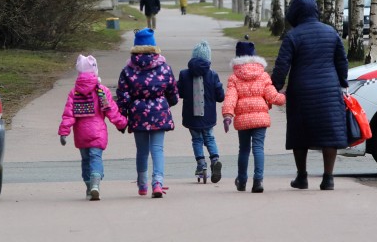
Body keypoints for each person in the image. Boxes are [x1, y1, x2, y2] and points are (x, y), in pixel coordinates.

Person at [271, 0, 349, 191]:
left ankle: (302, 177)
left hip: (301, 91)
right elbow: (342, 60)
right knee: (329, 133)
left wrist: (273, 89)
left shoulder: (293, 36)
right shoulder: (330, 32)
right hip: (329, 90)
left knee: (300, 133)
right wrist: (342, 82)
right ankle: (328, 178)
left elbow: (282, 66)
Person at [116, 28, 179, 198]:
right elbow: (173, 91)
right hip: (159, 112)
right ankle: (157, 183)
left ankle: (142, 184)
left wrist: (123, 113)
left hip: (138, 113)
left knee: (142, 150)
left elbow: (122, 94)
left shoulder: (128, 69)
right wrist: (168, 103)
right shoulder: (164, 67)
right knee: (157, 149)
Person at [58, 54, 128, 201]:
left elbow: (68, 114)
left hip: (81, 133)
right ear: (95, 71)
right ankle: (96, 185)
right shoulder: (102, 91)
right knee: (96, 158)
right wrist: (121, 123)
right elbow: (111, 110)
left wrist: (64, 132)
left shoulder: (74, 92)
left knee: (85, 160)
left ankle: (89, 188)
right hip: (98, 131)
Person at [222, 41, 286, 193]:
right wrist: (283, 98)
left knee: (243, 150)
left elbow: (230, 97)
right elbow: (272, 96)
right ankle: (258, 181)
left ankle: (242, 180)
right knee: (258, 148)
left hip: (243, 120)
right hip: (260, 120)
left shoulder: (235, 78)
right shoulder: (263, 76)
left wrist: (227, 115)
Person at [177, 41, 225, 183]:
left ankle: (201, 165)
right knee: (209, 137)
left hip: (191, 116)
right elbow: (220, 96)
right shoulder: (212, 75)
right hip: (208, 115)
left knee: (197, 139)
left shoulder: (184, 74)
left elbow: (179, 93)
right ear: (208, 58)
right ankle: (215, 160)